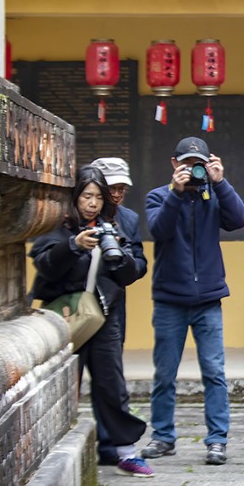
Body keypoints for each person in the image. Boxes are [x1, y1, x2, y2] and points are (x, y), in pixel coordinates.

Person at [30, 165, 153, 478]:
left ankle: (126, 452)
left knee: (111, 383)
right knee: (61, 383)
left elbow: (136, 270)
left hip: (103, 315)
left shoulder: (116, 224)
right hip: (63, 316)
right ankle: (50, 448)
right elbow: (45, 266)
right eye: (87, 196)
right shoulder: (57, 224)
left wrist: (120, 255)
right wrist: (73, 246)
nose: (93, 203)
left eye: (98, 197)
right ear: (75, 197)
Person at [142, 136, 244, 466]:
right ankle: (162, 436)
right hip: (169, 300)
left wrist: (221, 182)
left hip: (208, 300)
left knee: (214, 372)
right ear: (174, 164)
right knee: (164, 374)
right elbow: (159, 231)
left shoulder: (213, 194)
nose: (192, 170)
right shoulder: (158, 196)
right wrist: (176, 193)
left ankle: (217, 440)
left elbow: (238, 220)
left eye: (198, 164)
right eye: (187, 164)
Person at [90, 156, 148, 465]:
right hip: (79, 306)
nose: (116, 195)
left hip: (112, 305)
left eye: (121, 189)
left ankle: (110, 445)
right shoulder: (78, 216)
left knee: (110, 377)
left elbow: (140, 262)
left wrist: (124, 260)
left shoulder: (128, 218)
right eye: (110, 188)